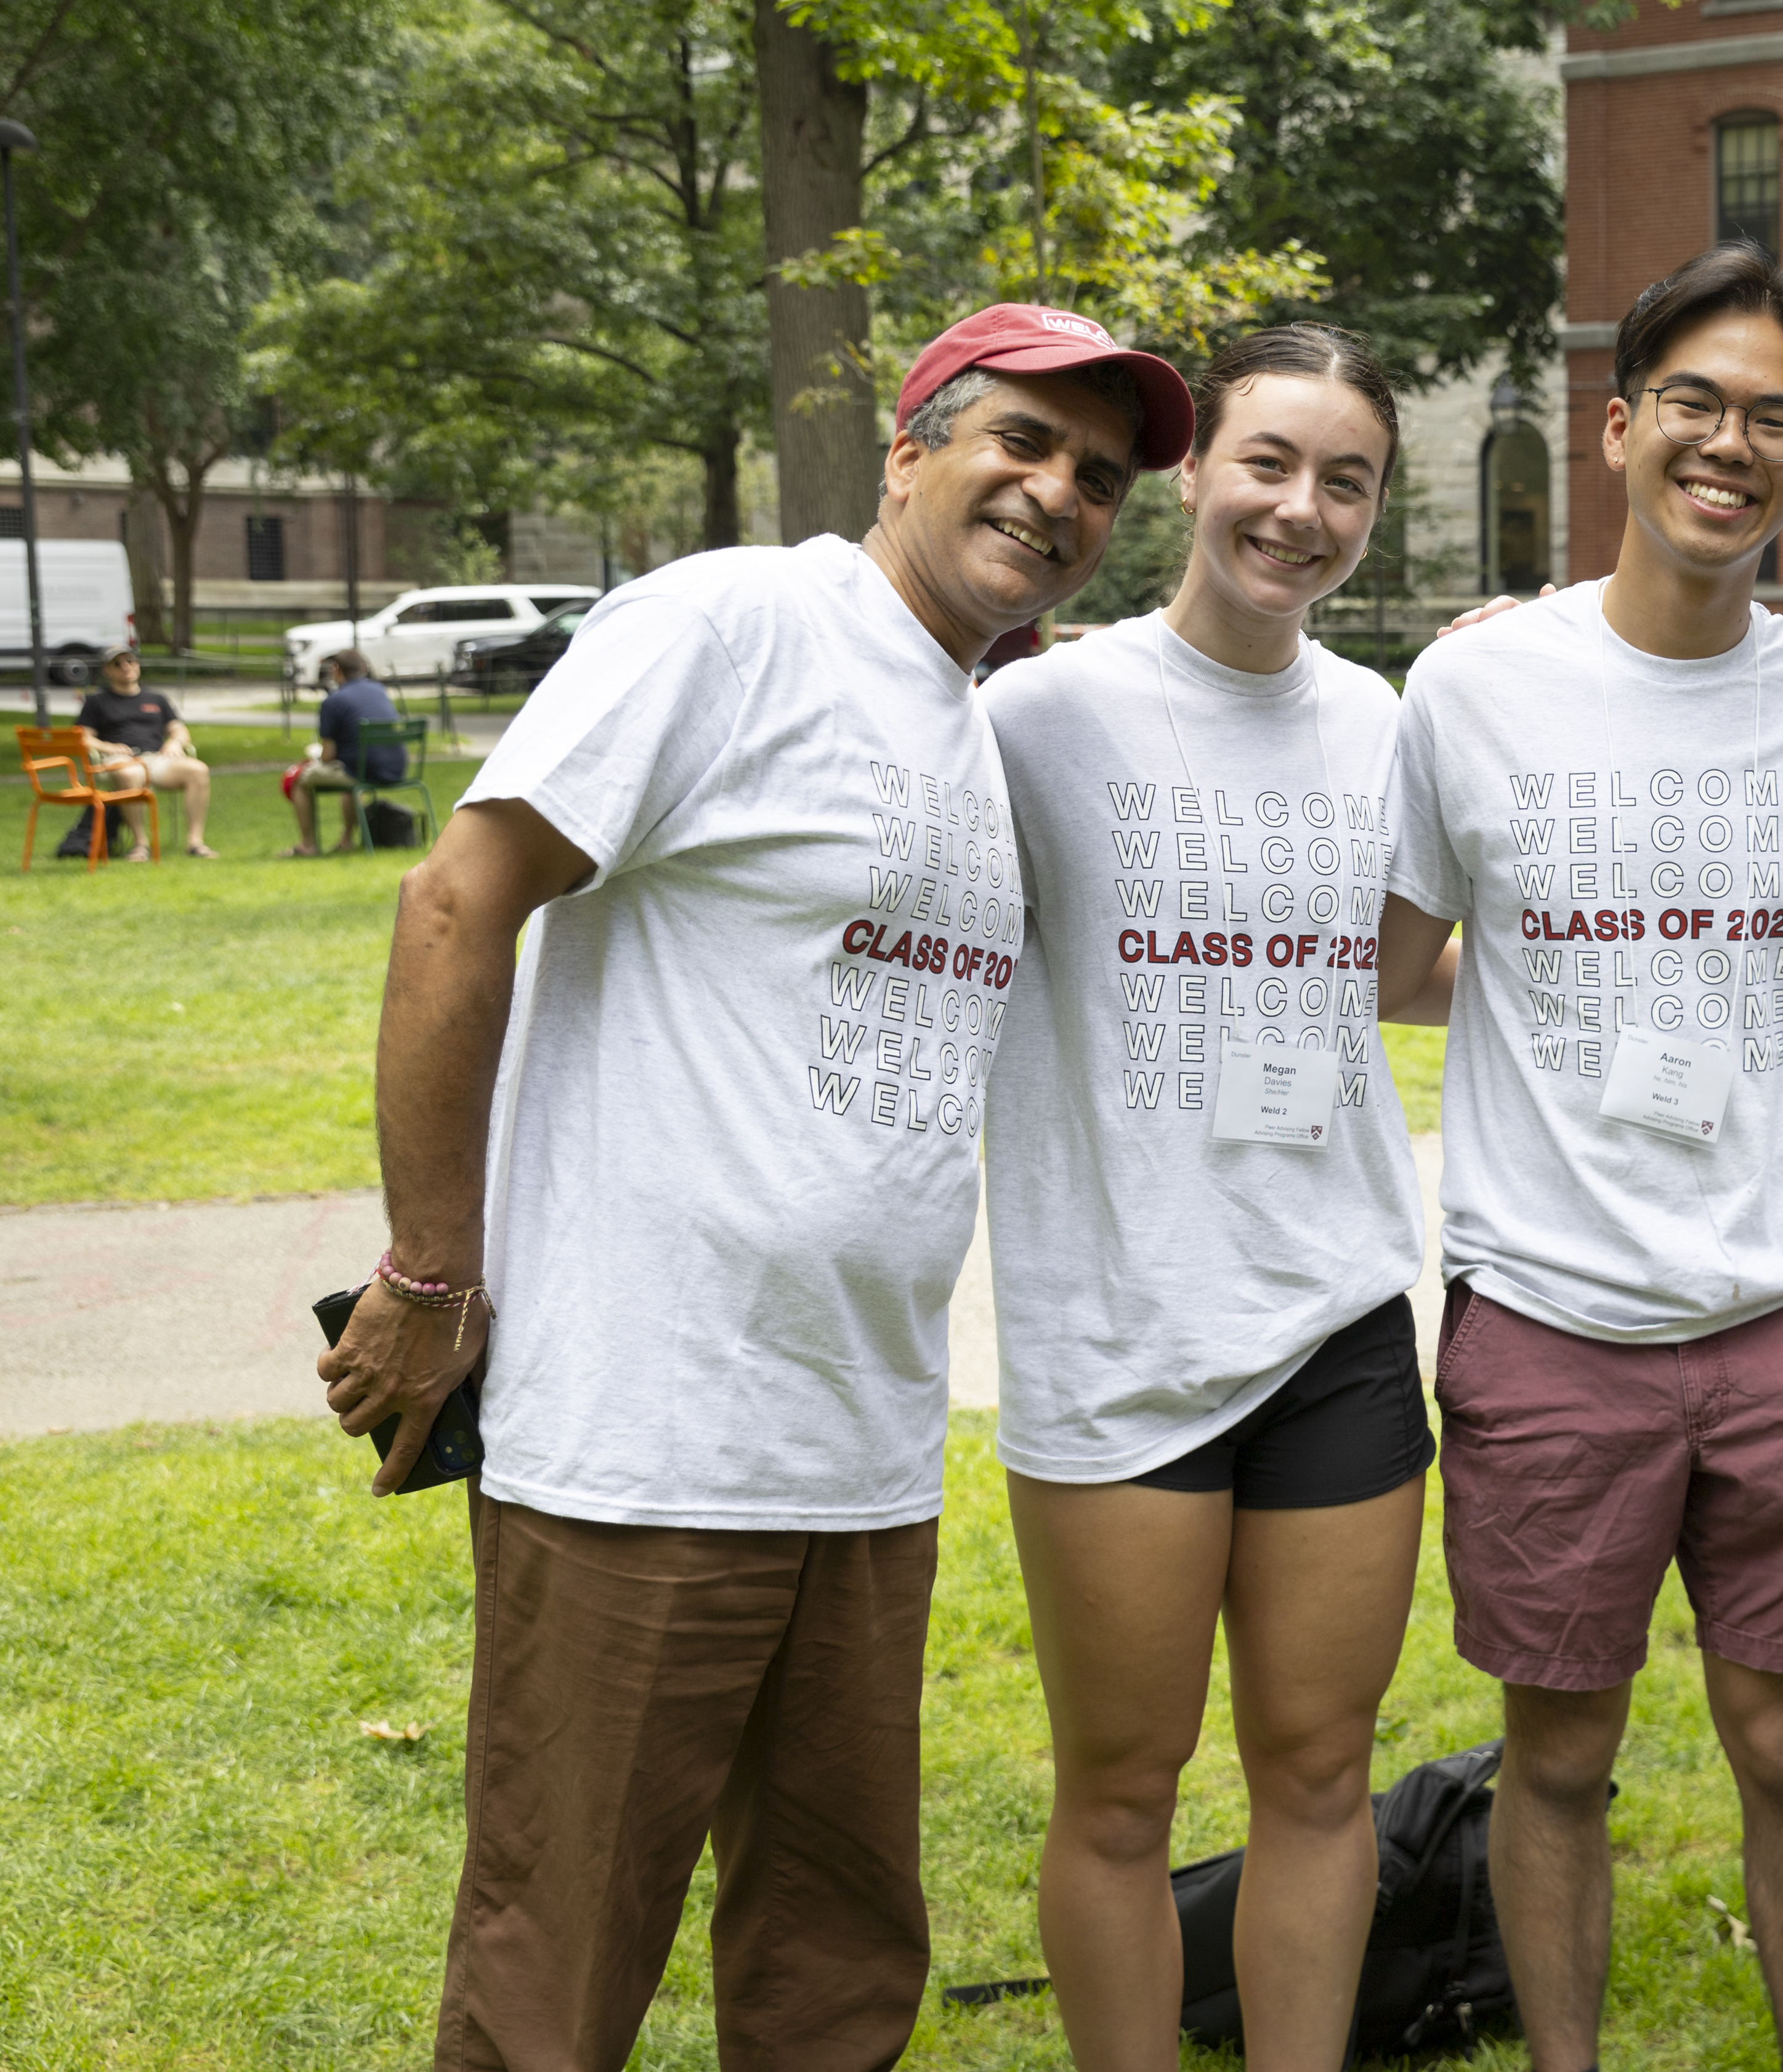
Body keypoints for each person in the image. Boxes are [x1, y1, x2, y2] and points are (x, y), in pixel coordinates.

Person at [314, 301, 1191, 2069]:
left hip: (860, 1456)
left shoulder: (972, 717)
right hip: (646, 1440)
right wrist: (429, 1273)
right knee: (561, 1958)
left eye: (1097, 477)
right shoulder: (733, 622)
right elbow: (457, 903)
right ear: (910, 446)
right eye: (1019, 440)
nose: (1056, 493)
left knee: (837, 1961)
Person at [1377, 240, 1783, 2072]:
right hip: (1546, 1310)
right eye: (1693, 402)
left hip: (1781, 1316)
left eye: (1775, 417)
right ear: (1617, 428)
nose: (1729, 443)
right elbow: (1392, 963)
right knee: (1560, 1754)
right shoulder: (1472, 691)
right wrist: (1553, 1006)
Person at [980, 326, 1458, 2072]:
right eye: (1268, 461)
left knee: (1320, 1776)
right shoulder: (1037, 716)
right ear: (1197, 472)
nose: (1300, 509)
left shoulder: (1391, 727)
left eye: (1346, 479)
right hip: (1117, 1326)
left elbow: (1410, 969)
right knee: (1117, 1788)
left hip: (1335, 1316)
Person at [76, 647, 215, 857]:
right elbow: (82, 736)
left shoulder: (157, 699)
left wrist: (175, 743)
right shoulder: (97, 702)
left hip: (156, 758)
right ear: (107, 671)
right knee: (129, 774)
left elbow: (179, 729)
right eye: (118, 664)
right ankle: (141, 845)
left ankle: (195, 843)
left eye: (130, 661)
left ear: (138, 665)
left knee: (198, 770)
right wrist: (107, 747)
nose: (126, 667)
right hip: (118, 759)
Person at [287, 648, 404, 856]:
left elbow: (328, 756)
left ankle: (308, 845)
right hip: (396, 768)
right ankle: (347, 840)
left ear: (336, 670)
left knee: (297, 780)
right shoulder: (379, 690)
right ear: (363, 668)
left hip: (360, 772)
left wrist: (315, 756)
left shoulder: (333, 702)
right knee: (348, 777)